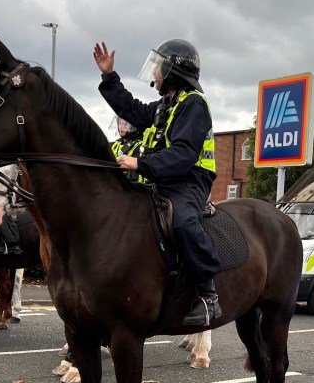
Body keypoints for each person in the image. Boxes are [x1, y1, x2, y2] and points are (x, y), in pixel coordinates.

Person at [93, 39, 222, 327]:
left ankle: (208, 294)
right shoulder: (166, 104)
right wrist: (109, 76)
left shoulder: (193, 104)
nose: (154, 73)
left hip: (190, 178)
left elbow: (183, 155)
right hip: (161, 176)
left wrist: (139, 163)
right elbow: (132, 108)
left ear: (174, 70)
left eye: (158, 68)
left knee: (183, 222)